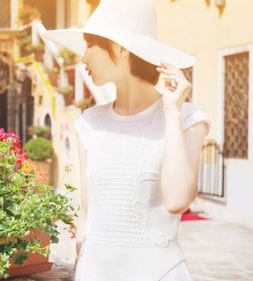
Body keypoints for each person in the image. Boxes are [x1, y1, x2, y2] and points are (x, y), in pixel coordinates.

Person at [43, 0, 210, 280]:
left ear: (120, 48)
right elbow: (87, 216)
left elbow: (178, 200)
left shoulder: (187, 119)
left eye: (90, 45)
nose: (83, 58)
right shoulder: (89, 124)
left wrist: (171, 111)